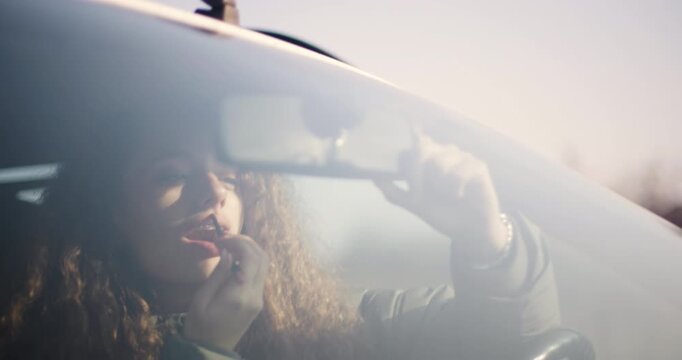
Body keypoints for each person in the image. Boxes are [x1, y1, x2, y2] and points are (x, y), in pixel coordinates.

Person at [0, 4, 559, 360]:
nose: (214, 195)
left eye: (233, 179)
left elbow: (504, 341)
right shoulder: (36, 340)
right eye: (173, 174)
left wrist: (490, 243)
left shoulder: (336, 335)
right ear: (113, 208)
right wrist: (201, 349)